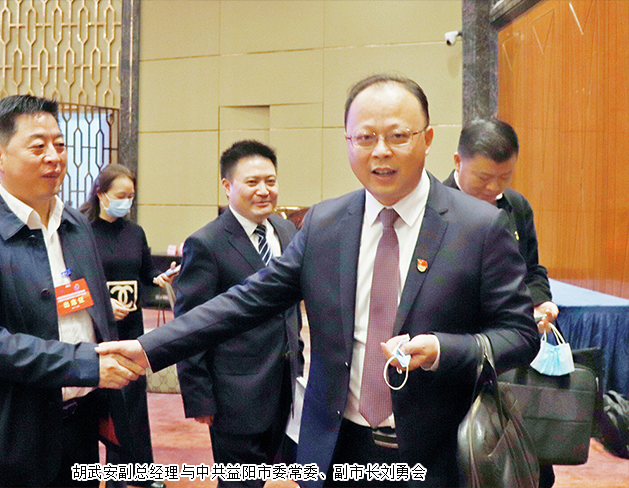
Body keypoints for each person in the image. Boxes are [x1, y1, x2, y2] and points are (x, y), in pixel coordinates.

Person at [99, 74, 539, 488]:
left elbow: (519, 335)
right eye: (364, 138)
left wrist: (445, 350)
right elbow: (245, 302)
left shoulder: (479, 227)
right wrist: (148, 347)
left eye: (397, 136)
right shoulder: (326, 224)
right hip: (337, 449)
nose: (380, 151)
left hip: (436, 452)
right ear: (348, 142)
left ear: (427, 138)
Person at [0, 95, 144, 488]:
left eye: (60, 145)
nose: (54, 157)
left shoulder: (75, 227)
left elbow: (85, 309)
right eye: (38, 146)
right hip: (8, 439)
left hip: (80, 429)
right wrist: (83, 364)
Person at [174, 140, 303, 486]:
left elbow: (290, 308)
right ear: (227, 186)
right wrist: (199, 397)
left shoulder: (287, 231)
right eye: (252, 182)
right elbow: (190, 326)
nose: (264, 190)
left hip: (284, 386)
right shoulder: (207, 243)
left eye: (270, 181)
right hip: (234, 394)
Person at [444, 118, 559, 488]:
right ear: (458, 162)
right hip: (456, 358)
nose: (493, 188)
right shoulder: (434, 209)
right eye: (483, 177)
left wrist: (540, 303)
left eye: (504, 177)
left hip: (509, 360)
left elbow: (532, 269)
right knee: (461, 464)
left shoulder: (516, 206)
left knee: (519, 467)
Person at [80, 164, 175, 488]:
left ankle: (138, 470)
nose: (126, 202)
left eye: (131, 196)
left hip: (132, 329)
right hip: (98, 330)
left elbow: (146, 272)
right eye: (120, 195)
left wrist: (159, 278)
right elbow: (73, 283)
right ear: (101, 194)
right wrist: (102, 303)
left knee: (133, 401)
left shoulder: (135, 232)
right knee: (101, 403)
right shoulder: (83, 232)